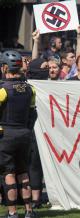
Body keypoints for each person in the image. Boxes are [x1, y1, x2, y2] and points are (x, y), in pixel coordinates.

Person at [0, 50, 37, 218]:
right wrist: (27, 130)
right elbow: (32, 113)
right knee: (23, 173)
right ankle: (29, 211)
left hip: (6, 135)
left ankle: (12, 213)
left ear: (4, 67)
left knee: (9, 173)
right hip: (25, 134)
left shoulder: (3, 90)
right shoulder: (30, 89)